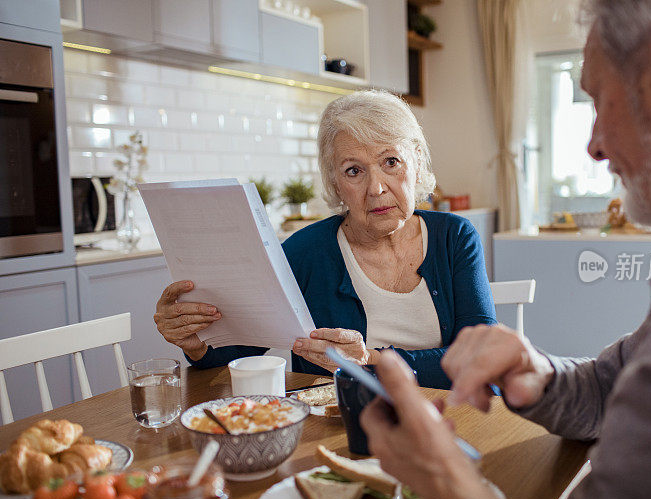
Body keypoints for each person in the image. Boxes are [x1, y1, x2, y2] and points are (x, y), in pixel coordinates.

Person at [361, 0, 651, 499]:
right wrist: (540, 376)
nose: (593, 145)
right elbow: (611, 386)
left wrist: (454, 488)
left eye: (599, 99)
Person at [152, 90, 495, 389]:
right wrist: (195, 342)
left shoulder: (454, 237)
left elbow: (481, 356)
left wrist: (370, 359)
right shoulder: (304, 253)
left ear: (416, 162)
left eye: (391, 162)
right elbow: (232, 354)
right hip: (342, 428)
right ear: (335, 182)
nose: (376, 188)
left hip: (453, 416)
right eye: (353, 171)